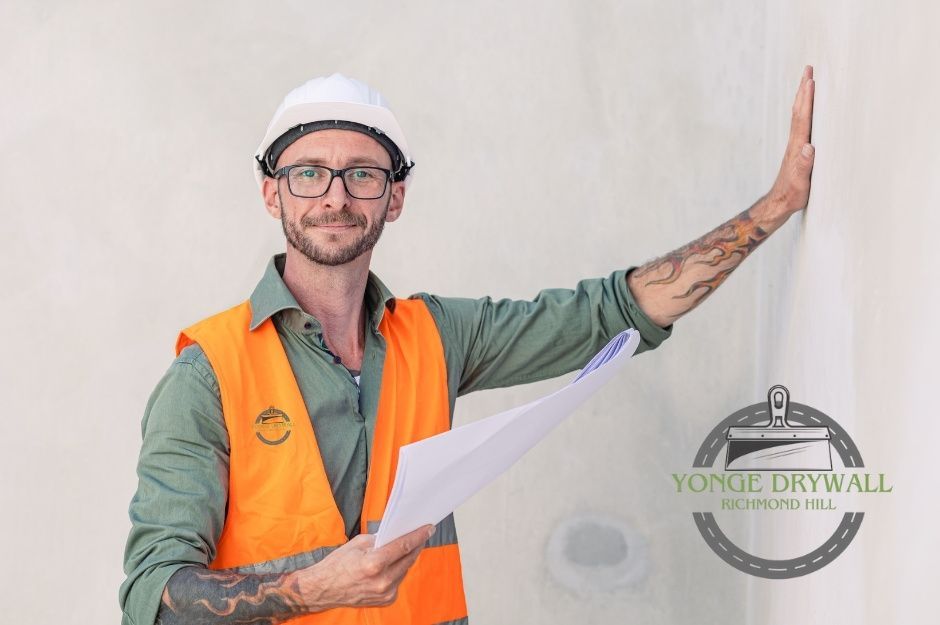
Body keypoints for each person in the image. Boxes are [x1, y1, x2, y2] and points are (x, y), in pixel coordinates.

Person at [120, 68, 816, 625]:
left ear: (394, 197)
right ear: (273, 194)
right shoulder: (207, 371)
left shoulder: (436, 336)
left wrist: (777, 205)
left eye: (363, 173)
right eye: (308, 172)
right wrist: (309, 588)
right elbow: (153, 596)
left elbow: (612, 312)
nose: (335, 195)